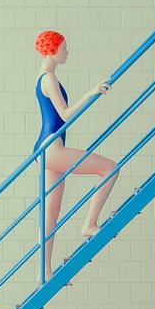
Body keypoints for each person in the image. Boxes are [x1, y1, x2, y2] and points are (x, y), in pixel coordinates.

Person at [33, 30, 119, 281]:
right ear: (52, 50)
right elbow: (66, 114)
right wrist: (91, 93)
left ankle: (44, 272)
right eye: (64, 48)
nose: (67, 52)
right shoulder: (48, 78)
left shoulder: (46, 77)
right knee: (110, 169)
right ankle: (89, 224)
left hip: (48, 148)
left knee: (52, 210)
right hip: (52, 148)